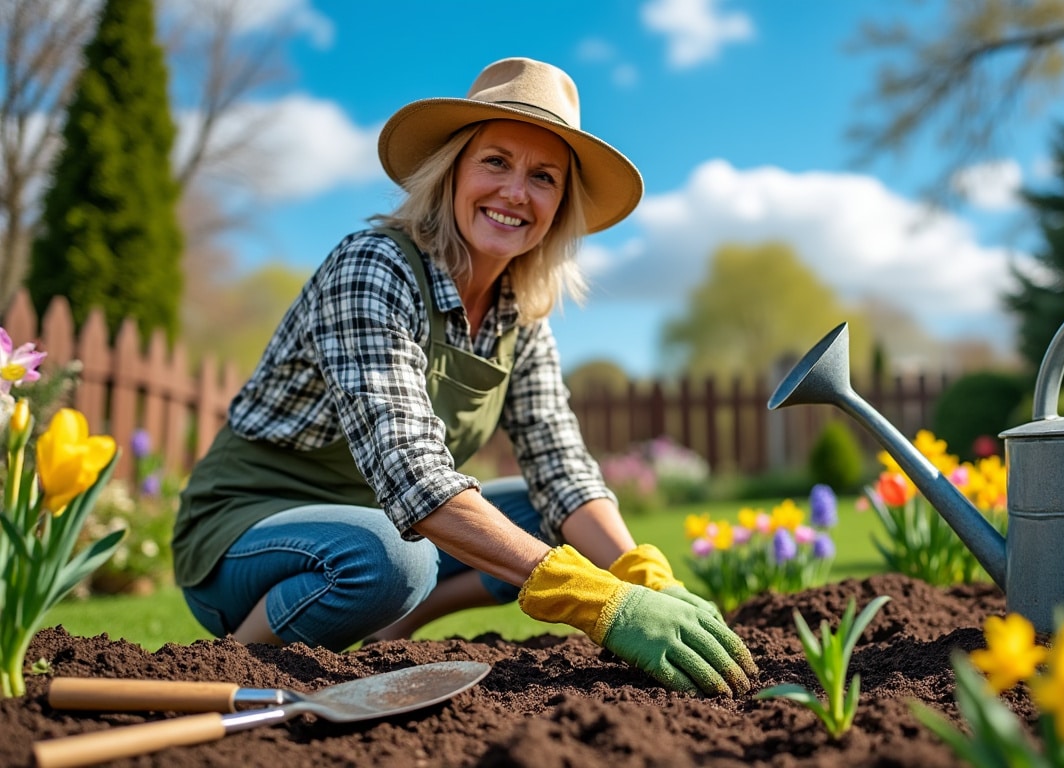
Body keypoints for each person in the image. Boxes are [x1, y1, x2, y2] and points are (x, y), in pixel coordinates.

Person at [171, 57, 756, 697]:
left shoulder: (521, 318)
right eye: (496, 162)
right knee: (392, 559)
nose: (515, 192)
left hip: (379, 525)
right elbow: (411, 474)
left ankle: (390, 633)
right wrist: (597, 603)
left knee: (547, 517)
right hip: (252, 533)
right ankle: (241, 663)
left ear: (560, 205)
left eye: (543, 177)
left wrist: (642, 578)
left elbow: (562, 468)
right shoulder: (374, 267)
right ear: (452, 171)